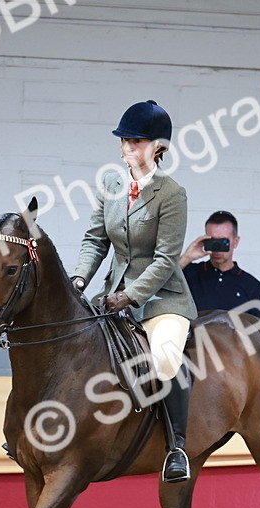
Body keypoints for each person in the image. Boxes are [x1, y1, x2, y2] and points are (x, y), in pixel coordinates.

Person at [72, 100, 197, 483]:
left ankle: (176, 448)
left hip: (162, 298)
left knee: (164, 361)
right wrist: (78, 280)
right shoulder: (110, 184)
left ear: (158, 147)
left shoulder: (171, 194)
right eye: (124, 140)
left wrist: (129, 297)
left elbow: (164, 259)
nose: (127, 148)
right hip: (112, 291)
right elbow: (96, 239)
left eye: (137, 141)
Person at [179, 211, 260, 318]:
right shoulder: (189, 273)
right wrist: (187, 256)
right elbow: (160, 284)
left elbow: (258, 331)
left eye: (223, 242)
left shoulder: (251, 285)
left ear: (235, 241)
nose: (218, 249)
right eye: (213, 241)